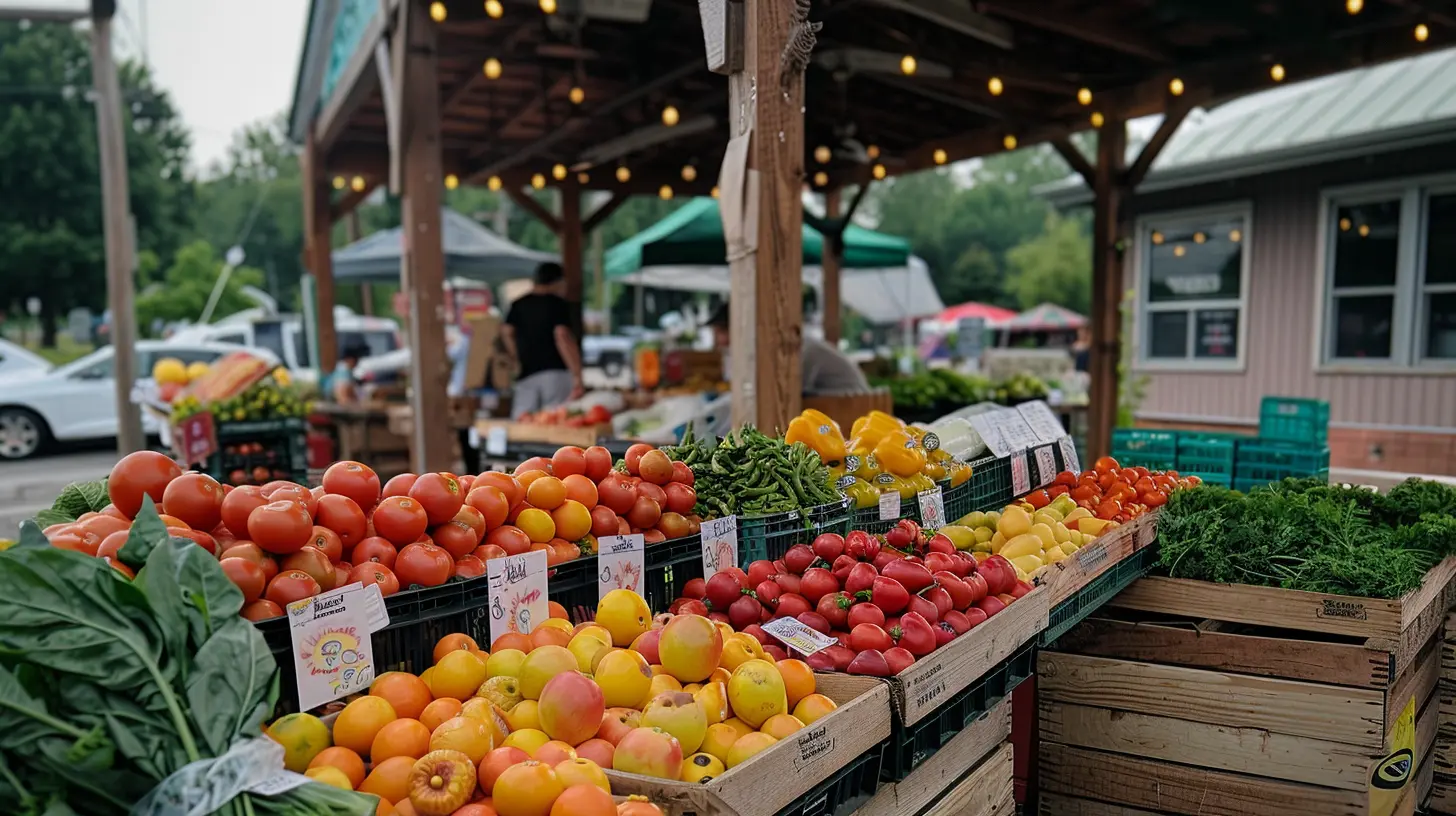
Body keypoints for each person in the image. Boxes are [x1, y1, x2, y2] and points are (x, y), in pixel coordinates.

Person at [708, 303, 870, 395]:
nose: (719, 341)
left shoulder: (803, 351)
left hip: (852, 409)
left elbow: (784, 394)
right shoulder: (790, 351)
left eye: (721, 332)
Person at [503, 262, 584, 418]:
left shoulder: (518, 304)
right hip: (555, 372)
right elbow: (562, 336)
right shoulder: (558, 304)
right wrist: (577, 374)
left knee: (523, 420)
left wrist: (516, 358)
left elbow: (506, 331)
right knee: (555, 417)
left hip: (526, 372)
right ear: (557, 282)